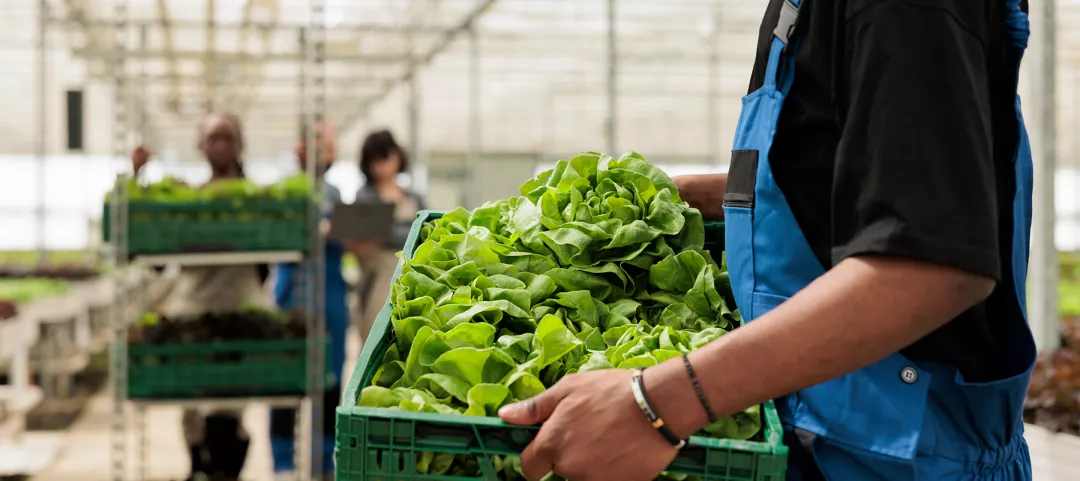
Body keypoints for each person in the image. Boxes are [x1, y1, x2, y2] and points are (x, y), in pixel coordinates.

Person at [497, 1, 1036, 480]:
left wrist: (654, 405)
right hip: (823, 433)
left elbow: (927, 268)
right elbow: (863, 174)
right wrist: (705, 198)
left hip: (901, 455)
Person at [135, 112, 267, 481]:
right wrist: (138, 178)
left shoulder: (257, 201)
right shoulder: (187, 200)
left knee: (227, 407)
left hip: (239, 309)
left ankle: (222, 470)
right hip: (192, 310)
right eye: (213, 138)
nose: (220, 145)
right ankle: (200, 468)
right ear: (201, 146)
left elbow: (266, 264)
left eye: (227, 137)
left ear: (240, 145)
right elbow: (158, 260)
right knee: (193, 407)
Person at [268, 121, 348, 479]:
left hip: (330, 297)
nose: (322, 151)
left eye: (329, 144)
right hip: (291, 296)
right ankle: (283, 463)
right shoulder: (285, 192)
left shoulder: (336, 194)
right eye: (316, 142)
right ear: (298, 147)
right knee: (284, 378)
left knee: (329, 382)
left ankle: (323, 464)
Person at [350, 130, 426, 345]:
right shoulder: (364, 197)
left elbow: (426, 229)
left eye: (384, 158)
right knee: (376, 334)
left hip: (412, 276)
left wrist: (386, 233)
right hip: (376, 277)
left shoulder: (413, 197)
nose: (380, 166)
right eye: (374, 161)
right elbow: (358, 237)